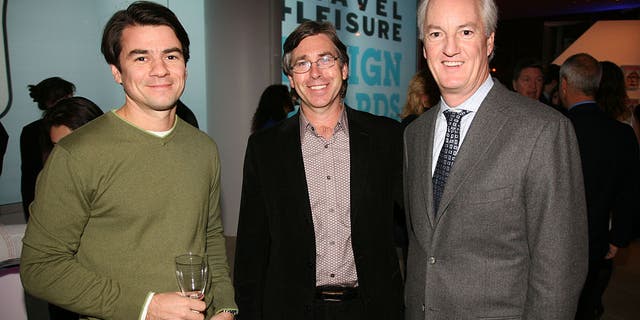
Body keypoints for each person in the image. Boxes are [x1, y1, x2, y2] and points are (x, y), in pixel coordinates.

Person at [20, 2, 237, 320]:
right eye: (141, 57)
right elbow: (40, 268)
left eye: (171, 55)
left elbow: (210, 237)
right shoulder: (77, 154)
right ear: (116, 71)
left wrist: (226, 306)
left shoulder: (203, 148)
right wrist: (146, 306)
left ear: (185, 66)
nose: (159, 69)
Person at [403, 0, 588, 319]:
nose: (449, 48)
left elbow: (559, 274)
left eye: (465, 31)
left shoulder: (543, 130)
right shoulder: (414, 135)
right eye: (436, 34)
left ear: (489, 41)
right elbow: (423, 247)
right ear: (424, 48)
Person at [234, 20, 404, 320]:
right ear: (290, 78)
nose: (315, 73)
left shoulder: (386, 138)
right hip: (290, 311)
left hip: (372, 309)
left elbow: (414, 231)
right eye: (302, 63)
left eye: (325, 59)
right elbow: (251, 249)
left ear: (344, 68)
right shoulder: (265, 148)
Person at [559, 53, 639, 320]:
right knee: (587, 304)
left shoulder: (555, 129)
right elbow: (629, 191)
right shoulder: (621, 134)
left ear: (564, 84)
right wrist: (618, 237)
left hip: (553, 240)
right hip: (596, 239)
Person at [20, 76, 75, 220]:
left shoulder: (30, 131)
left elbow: (28, 179)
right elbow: (30, 177)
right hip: (53, 203)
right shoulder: (32, 132)